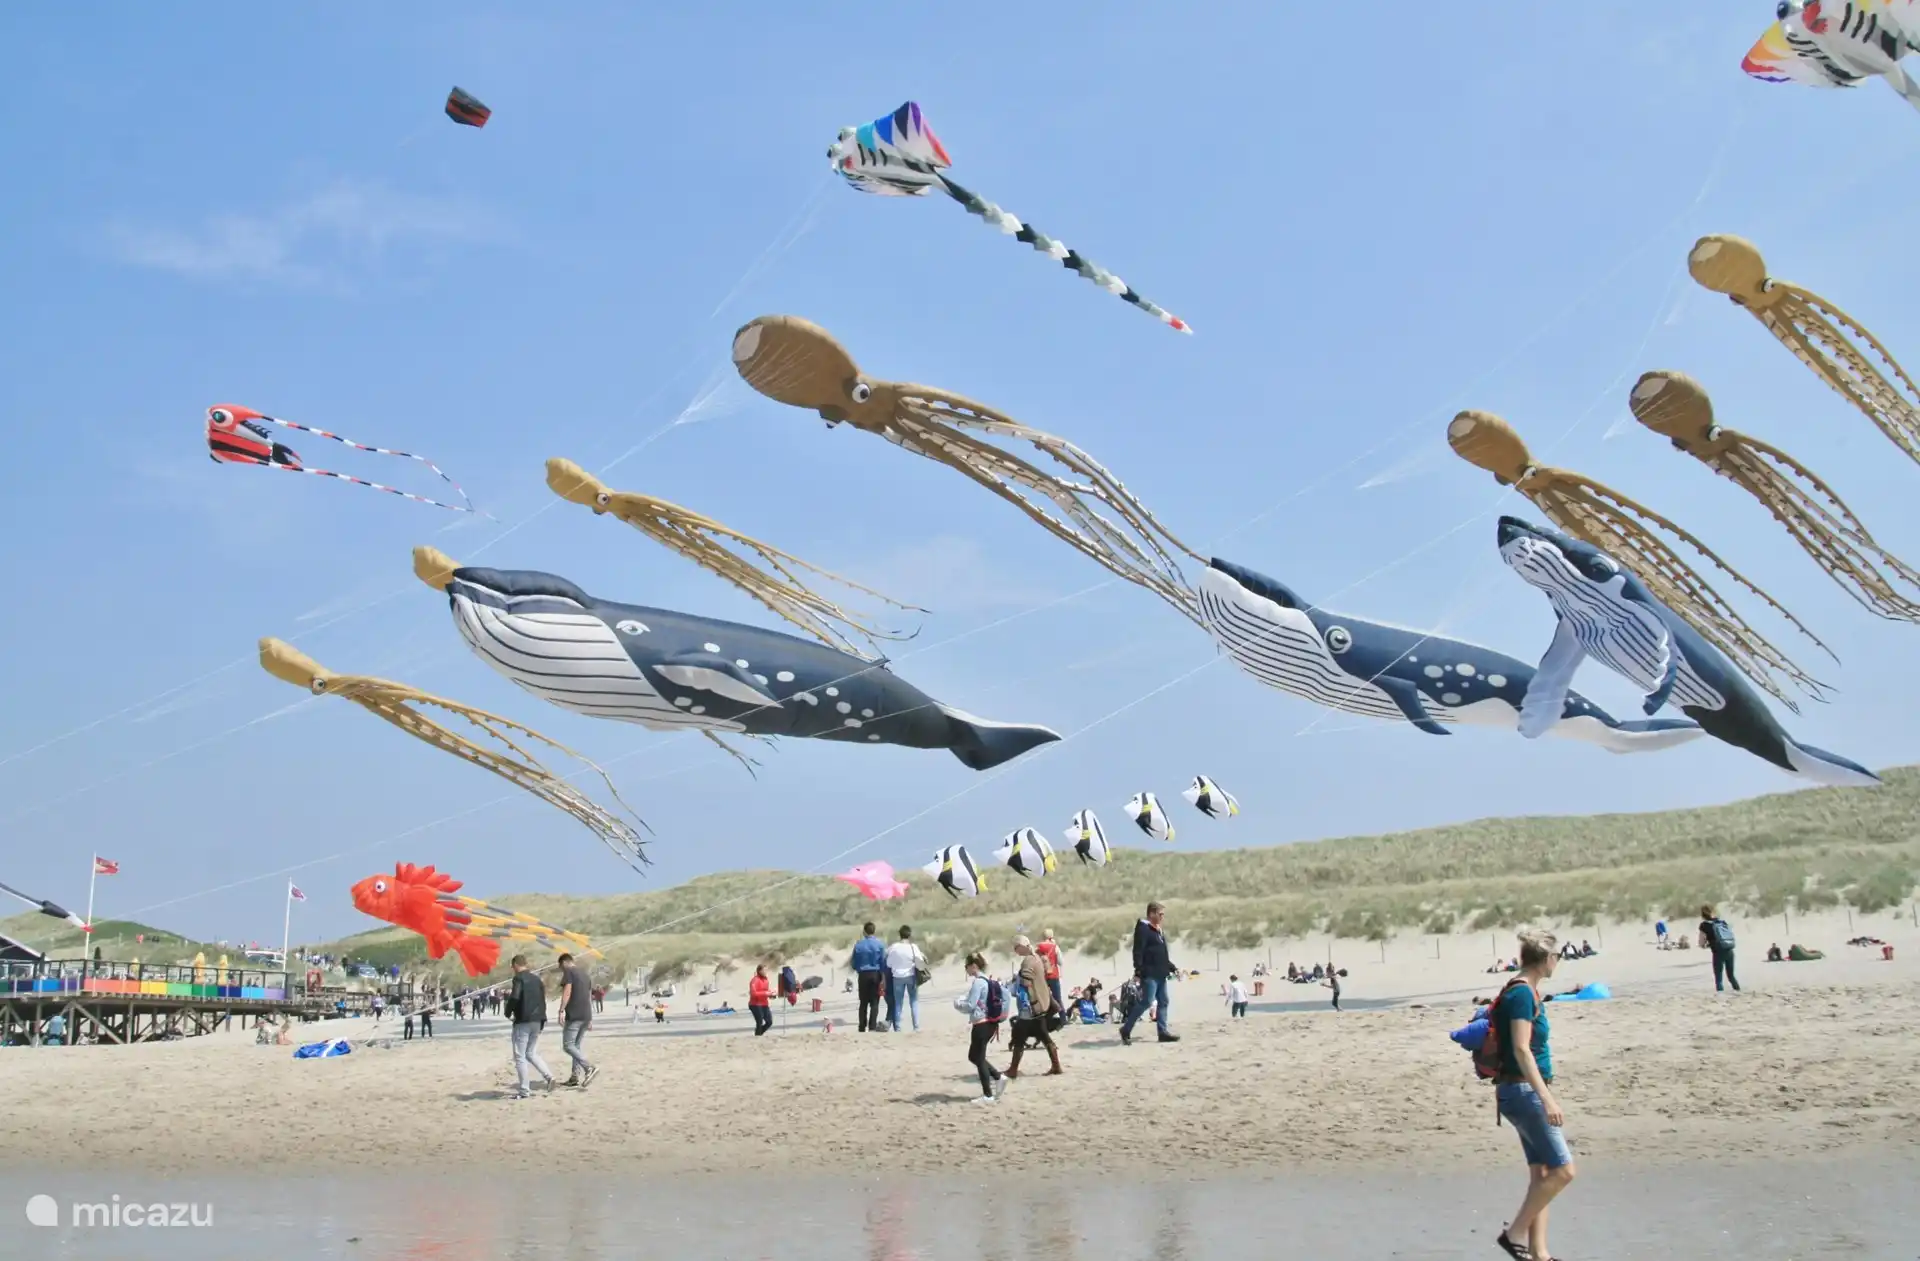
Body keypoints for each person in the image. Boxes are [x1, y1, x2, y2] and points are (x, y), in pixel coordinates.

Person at [1490, 928, 1575, 1261]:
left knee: (1542, 1175)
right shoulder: (1523, 994)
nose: (1559, 964)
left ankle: (1539, 1254)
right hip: (1524, 1092)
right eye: (1558, 958)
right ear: (1547, 959)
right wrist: (1547, 1099)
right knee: (1564, 1171)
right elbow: (1522, 1050)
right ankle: (1513, 1236)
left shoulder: (1522, 991)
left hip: (1517, 1091)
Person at [1120, 901, 1179, 1045]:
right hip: (1149, 973)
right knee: (1146, 1001)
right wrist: (1138, 970)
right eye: (1160, 914)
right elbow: (1138, 951)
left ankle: (1162, 1032)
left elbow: (1161, 954)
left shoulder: (1158, 930)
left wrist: (1172, 967)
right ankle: (1126, 1029)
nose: (1162, 917)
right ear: (1151, 914)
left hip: (1160, 973)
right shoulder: (1144, 929)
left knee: (1164, 1001)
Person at [952, 953, 1006, 1105]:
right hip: (988, 1023)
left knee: (979, 1058)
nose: (966, 969)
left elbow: (971, 1005)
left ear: (973, 966)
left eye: (966, 966)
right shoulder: (986, 981)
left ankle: (988, 1095)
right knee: (973, 1056)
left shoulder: (978, 983)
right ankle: (998, 1077)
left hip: (981, 1024)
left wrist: (957, 1004)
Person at [1006, 936, 1062, 1079]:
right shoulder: (1036, 958)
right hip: (1040, 1005)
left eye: (1016, 947)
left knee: (1019, 1036)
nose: (1015, 950)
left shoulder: (1028, 961)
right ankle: (1056, 1066)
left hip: (1032, 1006)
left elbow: (1026, 985)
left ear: (1023, 946)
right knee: (1043, 1035)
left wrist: (1028, 1004)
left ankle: (1013, 1070)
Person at [504, 956, 556, 1099]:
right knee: (531, 1052)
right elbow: (542, 1000)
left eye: (512, 966)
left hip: (524, 1021)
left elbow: (515, 997)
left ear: (515, 965)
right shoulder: (537, 980)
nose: (513, 969)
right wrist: (542, 1020)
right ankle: (549, 1077)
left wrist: (508, 1012)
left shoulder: (519, 978)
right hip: (538, 1020)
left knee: (520, 1056)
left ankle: (524, 1090)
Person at [557, 952, 598, 1088]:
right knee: (576, 1046)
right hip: (585, 1015)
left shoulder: (569, 972)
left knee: (568, 1045)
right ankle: (575, 1076)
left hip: (574, 1014)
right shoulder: (585, 975)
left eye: (561, 967)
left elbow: (567, 991)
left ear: (564, 963)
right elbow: (588, 996)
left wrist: (561, 1010)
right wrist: (590, 1018)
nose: (562, 970)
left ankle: (589, 1067)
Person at [884, 926, 926, 1033]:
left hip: (897, 977)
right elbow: (920, 963)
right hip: (911, 976)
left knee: (898, 1002)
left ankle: (898, 1028)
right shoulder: (913, 947)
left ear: (900, 934)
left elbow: (888, 963)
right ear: (909, 935)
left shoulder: (894, 947)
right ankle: (916, 1027)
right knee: (914, 1001)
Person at [850, 921, 888, 1033]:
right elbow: (882, 962)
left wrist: (858, 969)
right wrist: (882, 976)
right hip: (875, 973)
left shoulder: (858, 944)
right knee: (874, 1002)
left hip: (863, 974)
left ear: (864, 931)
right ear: (874, 931)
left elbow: (853, 962)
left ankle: (862, 1026)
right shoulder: (879, 944)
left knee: (863, 1002)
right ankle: (872, 1026)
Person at [1698, 904, 1740, 993]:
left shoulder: (1704, 925)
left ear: (1702, 914)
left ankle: (1720, 997)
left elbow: (1701, 943)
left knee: (1719, 979)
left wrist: (1707, 945)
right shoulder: (1721, 922)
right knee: (1731, 976)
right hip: (1729, 949)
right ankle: (1738, 991)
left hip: (1718, 952)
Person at [1035, 930, 1065, 1018]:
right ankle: (1063, 1018)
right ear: (1051, 937)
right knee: (1057, 998)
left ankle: (1044, 1017)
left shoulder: (1038, 947)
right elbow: (1060, 962)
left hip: (1042, 976)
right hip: (1053, 975)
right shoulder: (1055, 947)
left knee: (1043, 999)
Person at [748, 964, 774, 1036]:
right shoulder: (755, 980)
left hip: (764, 1004)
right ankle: (758, 1036)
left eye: (766, 970)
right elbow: (753, 993)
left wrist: (771, 995)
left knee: (769, 1022)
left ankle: (758, 1033)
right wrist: (765, 993)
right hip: (755, 1004)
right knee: (759, 1021)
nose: (766, 972)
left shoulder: (766, 980)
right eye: (764, 970)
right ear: (759, 971)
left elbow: (766, 991)